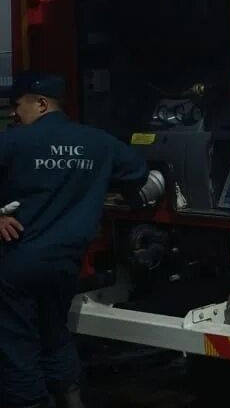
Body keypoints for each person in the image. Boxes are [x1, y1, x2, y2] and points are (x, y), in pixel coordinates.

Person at [0, 72, 149, 408]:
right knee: (54, 333)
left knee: (17, 345)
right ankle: (71, 399)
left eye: (17, 104)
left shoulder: (13, 142)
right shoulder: (99, 143)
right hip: (65, 264)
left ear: (40, 104)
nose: (13, 112)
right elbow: (138, 171)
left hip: (18, 262)